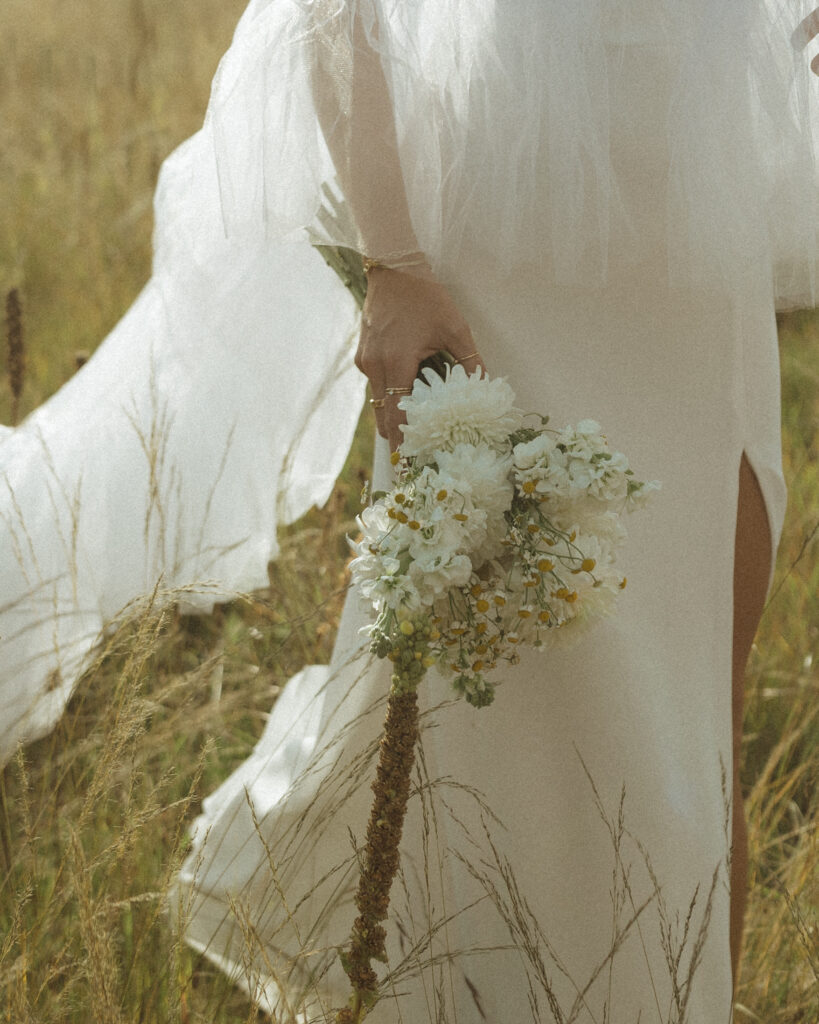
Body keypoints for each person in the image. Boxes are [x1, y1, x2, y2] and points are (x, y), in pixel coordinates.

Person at [2, 1, 818, 1021]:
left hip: (698, 220)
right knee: (489, 717)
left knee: (696, 733)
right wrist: (395, 263)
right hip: (511, 230)